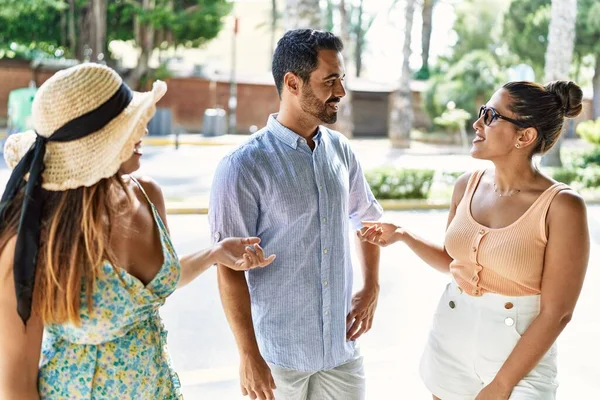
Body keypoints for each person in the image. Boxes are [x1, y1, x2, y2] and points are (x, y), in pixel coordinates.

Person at [0, 63, 275, 400]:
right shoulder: (34, 240)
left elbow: (147, 290)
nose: (144, 125)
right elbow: (16, 384)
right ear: (98, 144)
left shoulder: (148, 194)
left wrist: (214, 254)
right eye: (129, 124)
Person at [358, 80, 590, 400]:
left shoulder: (562, 206)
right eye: (482, 113)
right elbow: (457, 265)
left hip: (521, 357)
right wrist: (403, 235)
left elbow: (557, 313)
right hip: (451, 337)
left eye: (491, 116)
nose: (476, 123)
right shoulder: (466, 185)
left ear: (525, 136)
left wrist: (501, 385)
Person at [209, 29, 383, 400]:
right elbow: (228, 267)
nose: (341, 92)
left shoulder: (341, 151)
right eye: (329, 81)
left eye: (341, 80)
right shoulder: (242, 166)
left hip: (341, 353)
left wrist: (371, 286)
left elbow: (366, 219)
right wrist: (248, 355)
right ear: (292, 82)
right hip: (277, 360)